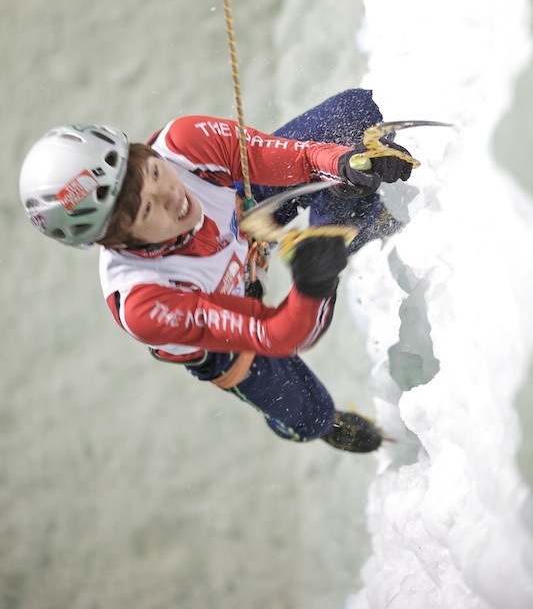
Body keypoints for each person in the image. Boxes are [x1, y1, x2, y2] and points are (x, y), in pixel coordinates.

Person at [19, 89, 412, 453]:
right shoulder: (146, 302)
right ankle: (325, 423)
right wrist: (315, 284)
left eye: (155, 173)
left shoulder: (185, 145)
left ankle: (354, 222)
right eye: (147, 210)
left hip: (242, 217)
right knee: (313, 415)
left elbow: (303, 158)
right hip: (222, 342)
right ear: (117, 243)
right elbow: (280, 335)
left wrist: (343, 164)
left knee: (356, 114)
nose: (172, 195)